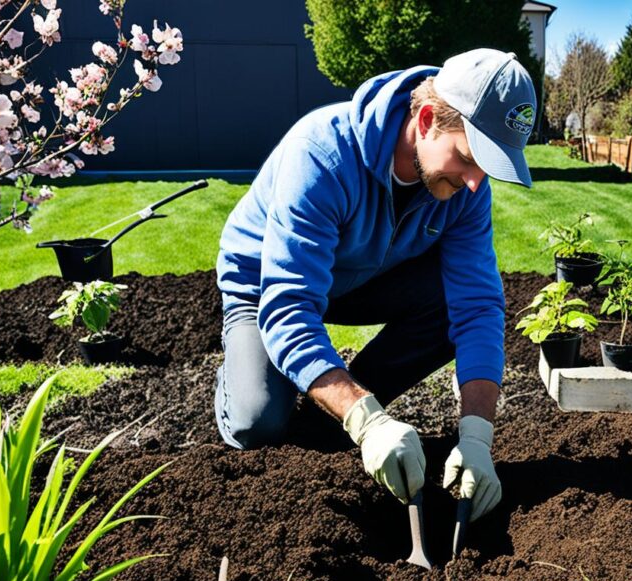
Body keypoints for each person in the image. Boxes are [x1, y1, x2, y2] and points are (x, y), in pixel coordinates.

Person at [214, 48, 536, 522]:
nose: (474, 183)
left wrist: (476, 436)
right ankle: (278, 387)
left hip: (369, 275)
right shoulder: (322, 155)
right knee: (257, 423)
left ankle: (340, 413)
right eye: (468, 158)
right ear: (426, 119)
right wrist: (365, 420)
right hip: (266, 281)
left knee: (454, 303)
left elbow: (479, 308)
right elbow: (288, 306)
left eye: (486, 168)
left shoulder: (467, 192)